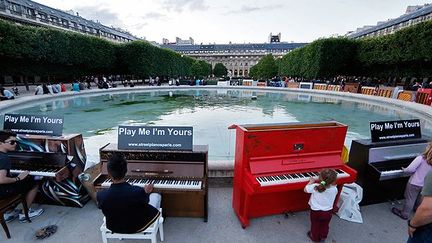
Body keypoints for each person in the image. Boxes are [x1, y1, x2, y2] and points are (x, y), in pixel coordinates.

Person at [97, 153, 161, 233]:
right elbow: (145, 202)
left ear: (109, 174)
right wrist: (146, 192)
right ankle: (155, 224)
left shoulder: (101, 195)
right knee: (156, 195)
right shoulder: (137, 191)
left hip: (114, 226)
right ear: (126, 171)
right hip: (137, 226)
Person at [0, 130, 44, 223]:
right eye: (11, 142)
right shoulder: (4, 158)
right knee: (35, 181)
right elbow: (2, 180)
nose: (15, 144)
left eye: (16, 141)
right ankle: (25, 213)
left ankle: (9, 213)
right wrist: (18, 178)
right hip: (3, 191)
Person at [392, 143, 432, 220]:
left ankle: (404, 214)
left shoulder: (421, 158)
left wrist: (404, 170)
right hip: (426, 184)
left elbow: (410, 169)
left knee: (410, 199)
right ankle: (416, 209)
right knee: (419, 198)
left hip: (414, 183)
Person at [304, 169, 338, 243]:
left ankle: (315, 238)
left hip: (316, 211)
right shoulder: (335, 189)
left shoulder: (315, 187)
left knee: (315, 225)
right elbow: (327, 187)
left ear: (320, 178)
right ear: (333, 181)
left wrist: (311, 182)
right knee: (325, 225)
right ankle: (323, 237)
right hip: (328, 212)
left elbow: (305, 190)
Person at [407, 170, 432, 242]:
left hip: (427, 230)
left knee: (410, 199)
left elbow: (428, 209)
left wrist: (412, 224)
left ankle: (404, 213)